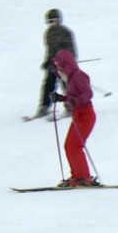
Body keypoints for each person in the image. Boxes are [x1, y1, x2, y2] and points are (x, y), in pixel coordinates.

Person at [50, 49, 98, 187]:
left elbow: (88, 93)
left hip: (85, 114)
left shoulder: (79, 76)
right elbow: (74, 97)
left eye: (60, 68)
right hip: (78, 115)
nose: (59, 72)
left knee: (74, 146)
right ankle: (77, 176)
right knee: (69, 146)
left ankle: (84, 177)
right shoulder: (71, 79)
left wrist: (74, 101)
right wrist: (62, 98)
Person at [34, 8, 77, 118]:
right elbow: (50, 50)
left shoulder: (65, 32)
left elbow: (71, 51)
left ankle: (71, 107)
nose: (51, 24)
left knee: (67, 86)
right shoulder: (48, 34)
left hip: (65, 65)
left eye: (53, 20)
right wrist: (47, 62)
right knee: (48, 84)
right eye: (49, 21)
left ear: (59, 20)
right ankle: (44, 106)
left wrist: (65, 64)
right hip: (54, 65)